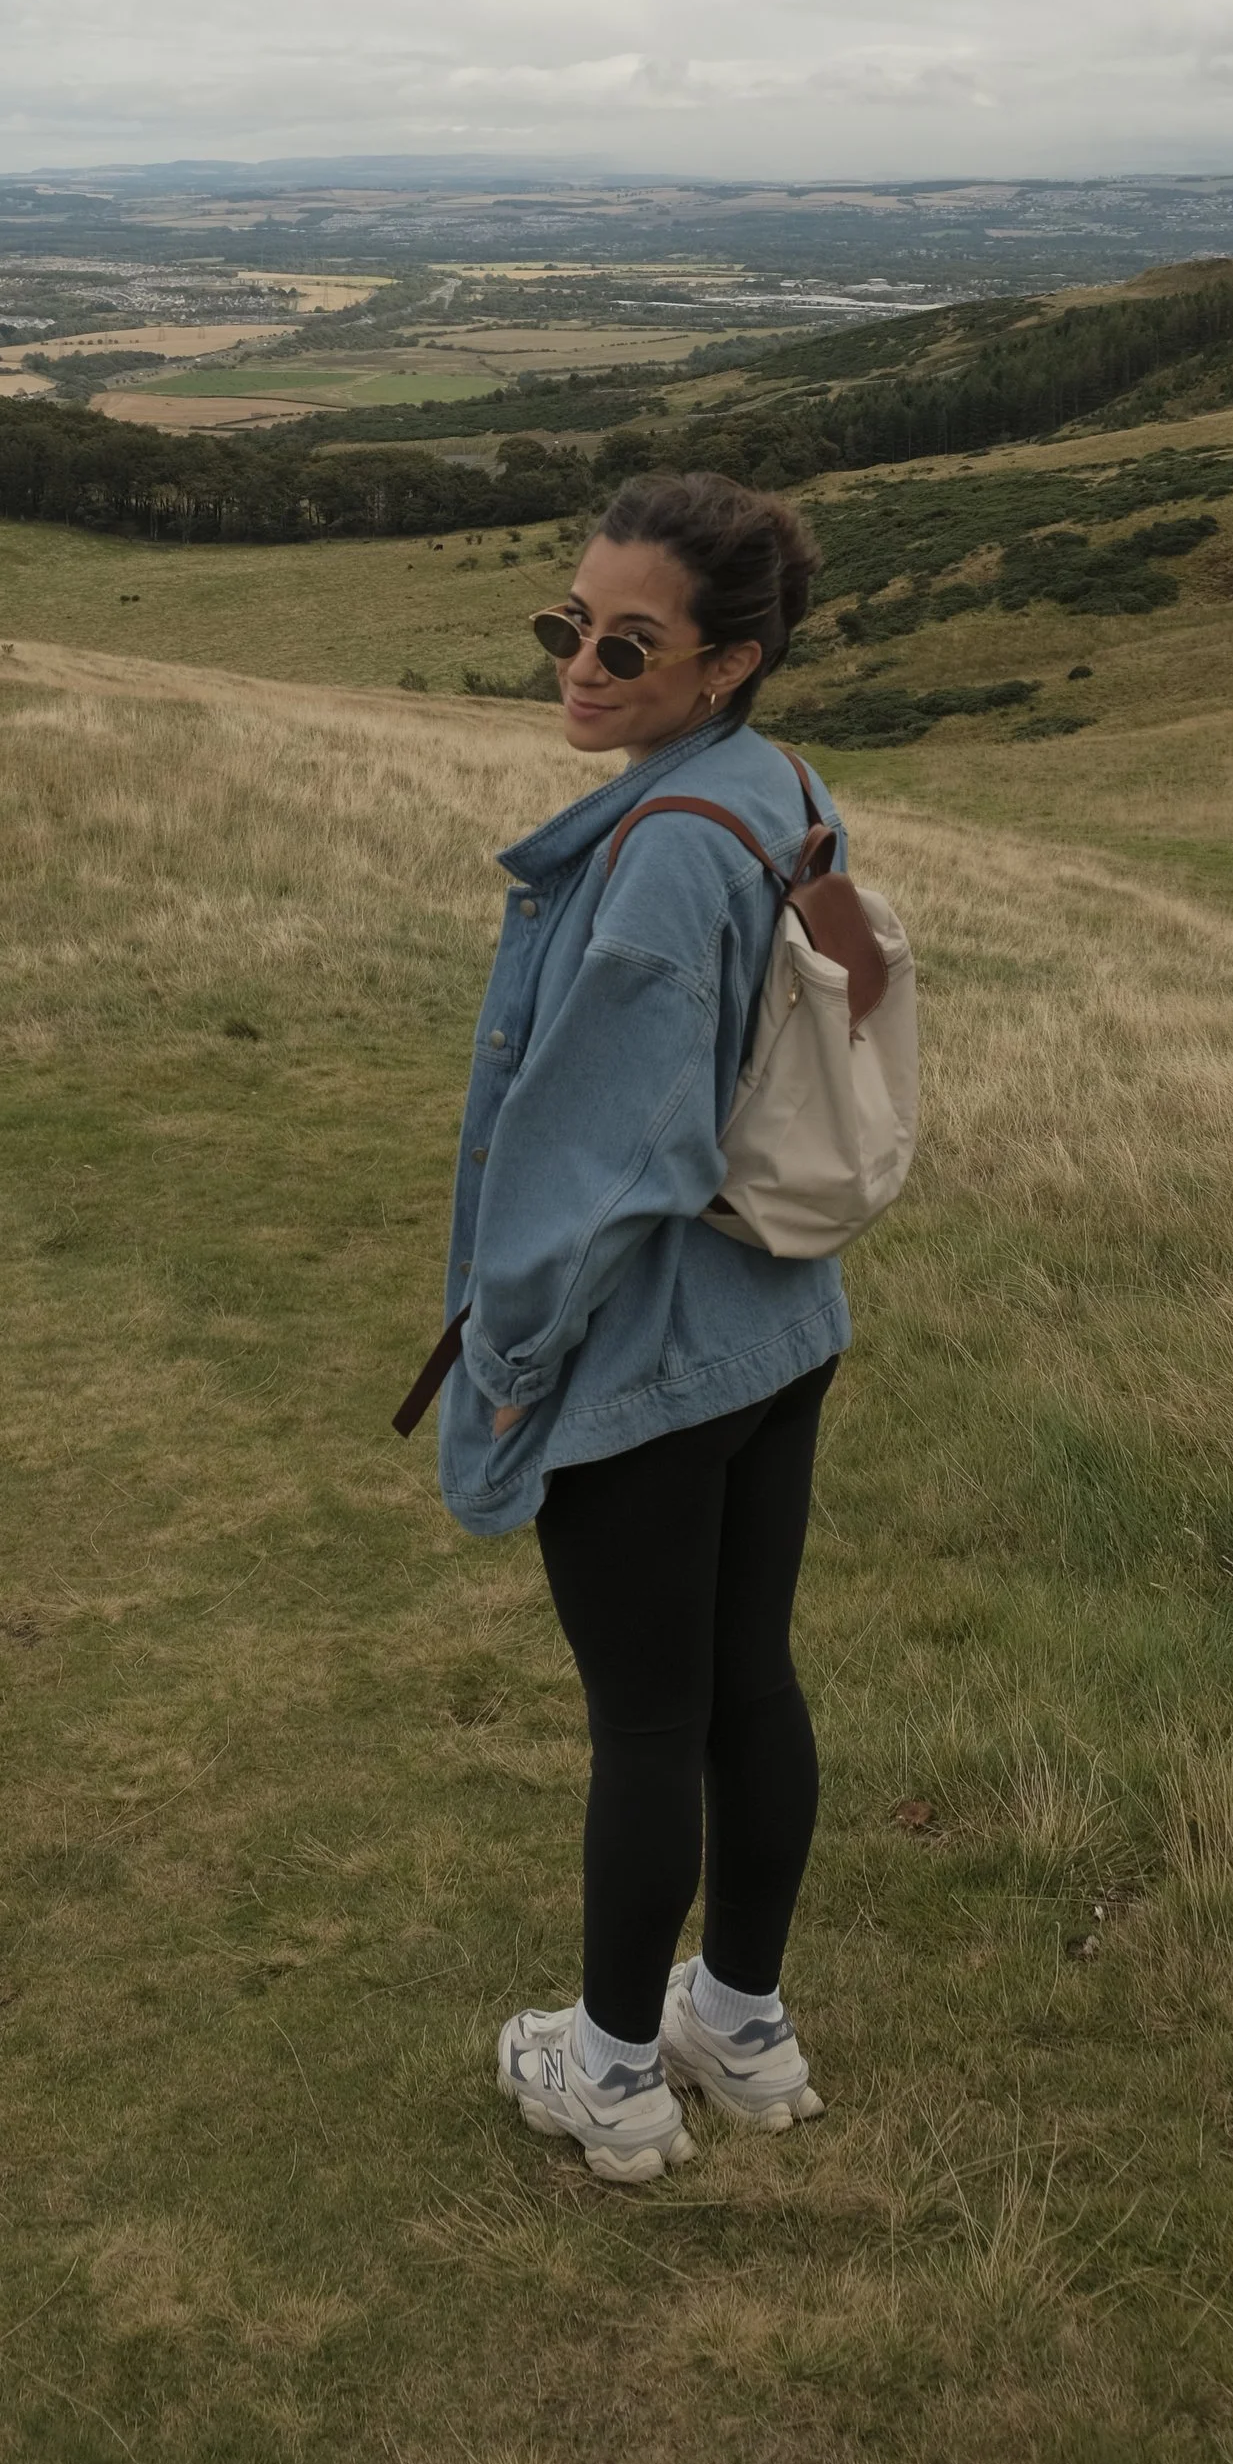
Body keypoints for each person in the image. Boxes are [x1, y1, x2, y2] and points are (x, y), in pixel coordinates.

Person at [435, 467, 847, 2186]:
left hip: (656, 1355)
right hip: (778, 1317)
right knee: (746, 1678)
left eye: (628, 641)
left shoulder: (663, 861)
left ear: (731, 658)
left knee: (648, 1721)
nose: (580, 665)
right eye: (566, 624)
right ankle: (737, 2026)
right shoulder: (773, 788)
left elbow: (605, 1162)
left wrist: (509, 1361)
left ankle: (608, 2071)